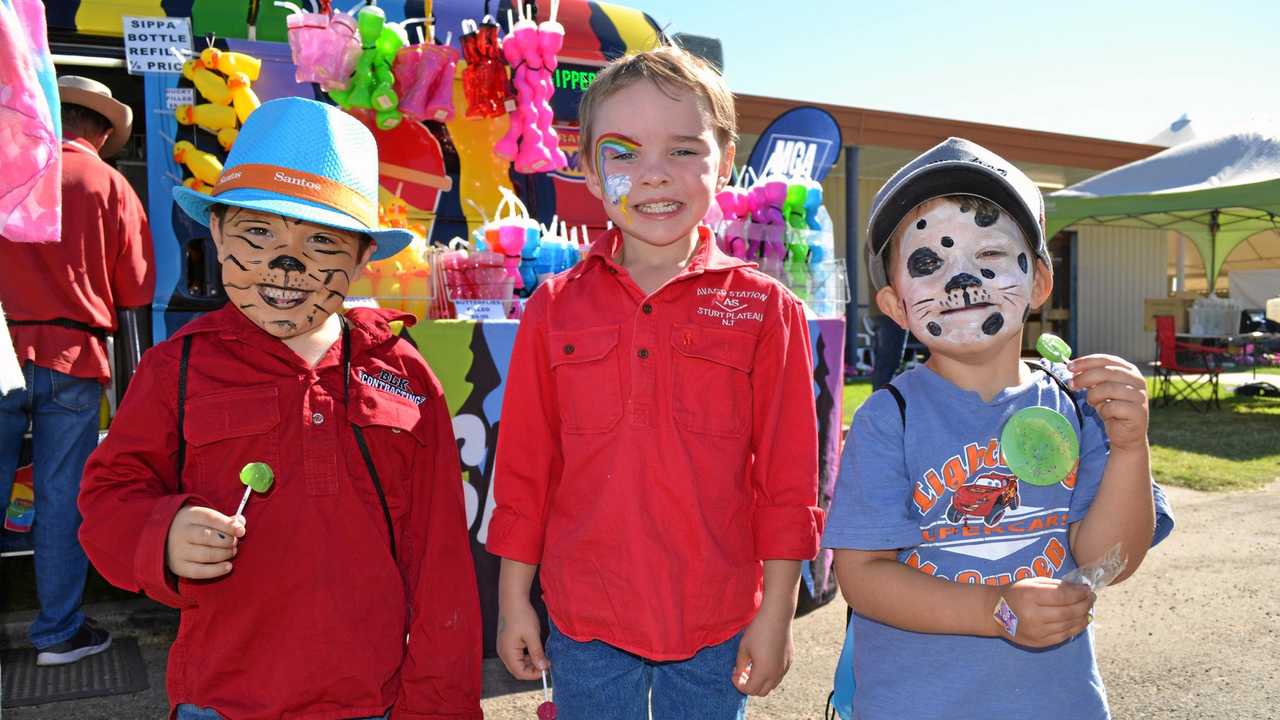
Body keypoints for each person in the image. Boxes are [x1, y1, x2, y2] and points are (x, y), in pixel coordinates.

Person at [77, 97, 482, 720]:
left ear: (362, 257)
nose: (286, 263)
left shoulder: (403, 375)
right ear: (215, 231)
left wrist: (440, 707)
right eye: (260, 232)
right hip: (223, 701)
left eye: (321, 241)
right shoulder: (176, 370)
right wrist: (160, 535)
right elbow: (108, 498)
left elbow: (442, 566)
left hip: (372, 701)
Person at [487, 45, 824, 719]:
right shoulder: (553, 307)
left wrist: (778, 615)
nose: (652, 176)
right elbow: (525, 471)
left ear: (724, 162)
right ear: (585, 168)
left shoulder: (767, 309)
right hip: (586, 619)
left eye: (682, 150)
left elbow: (788, 483)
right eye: (622, 152)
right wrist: (512, 600)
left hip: (716, 620)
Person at [822, 137, 1175, 719]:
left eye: (988, 253)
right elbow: (863, 577)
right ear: (895, 304)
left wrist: (1131, 448)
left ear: (1038, 282)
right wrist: (994, 610)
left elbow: (1108, 559)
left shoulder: (1076, 404)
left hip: (1055, 703)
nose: (962, 281)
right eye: (929, 263)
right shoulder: (890, 417)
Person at [0, 75, 154, 666]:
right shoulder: (109, 183)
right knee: (63, 497)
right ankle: (58, 635)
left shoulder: (11, 169)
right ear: (105, 131)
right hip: (74, 357)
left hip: (3, 346)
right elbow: (137, 287)